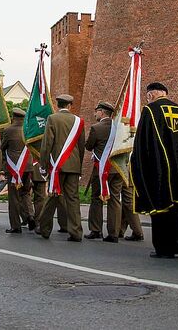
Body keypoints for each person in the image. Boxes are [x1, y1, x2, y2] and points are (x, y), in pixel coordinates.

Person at [132, 82, 178, 258]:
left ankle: (163, 247)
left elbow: (143, 143)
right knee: (174, 206)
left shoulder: (150, 111)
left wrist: (139, 166)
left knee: (159, 208)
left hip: (158, 169)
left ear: (151, 94)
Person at [37, 94, 85, 241]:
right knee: (73, 199)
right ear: (70, 105)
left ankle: (44, 229)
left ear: (58, 105)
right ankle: (76, 232)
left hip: (57, 165)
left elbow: (47, 144)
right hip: (74, 165)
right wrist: (79, 165)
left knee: (53, 195)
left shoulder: (52, 119)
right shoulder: (79, 121)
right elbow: (81, 146)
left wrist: (43, 164)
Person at [86, 101, 122, 243]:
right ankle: (114, 233)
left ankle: (96, 230)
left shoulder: (96, 128)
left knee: (96, 198)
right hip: (116, 169)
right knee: (114, 199)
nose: (95, 114)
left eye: (96, 111)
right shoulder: (119, 127)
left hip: (101, 169)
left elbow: (89, 146)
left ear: (101, 112)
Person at [1, 108, 36, 233]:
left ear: (13, 117)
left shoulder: (8, 130)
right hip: (28, 166)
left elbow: (3, 146)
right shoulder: (29, 129)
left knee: (14, 197)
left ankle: (15, 226)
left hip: (14, 168)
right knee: (26, 192)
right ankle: (30, 215)